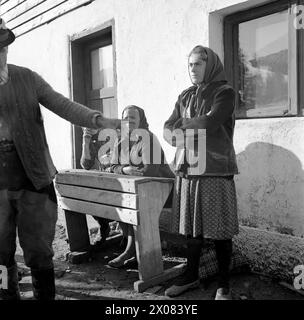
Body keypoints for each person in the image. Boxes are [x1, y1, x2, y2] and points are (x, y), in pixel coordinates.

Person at [0, 19, 119, 300]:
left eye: (3, 48)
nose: (0, 55)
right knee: (0, 256)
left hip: (33, 180)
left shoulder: (26, 77)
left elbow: (61, 104)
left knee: (40, 252)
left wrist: (99, 120)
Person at [163, 45, 239, 300]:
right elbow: (166, 128)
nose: (192, 70)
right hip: (187, 168)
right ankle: (191, 275)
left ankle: (223, 285)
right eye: (189, 65)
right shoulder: (185, 96)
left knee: (219, 232)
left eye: (197, 64)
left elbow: (210, 122)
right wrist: (183, 128)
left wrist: (181, 127)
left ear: (210, 65)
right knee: (191, 230)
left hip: (215, 169)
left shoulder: (225, 92)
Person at [107, 105, 174, 268]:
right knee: (115, 199)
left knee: (131, 203)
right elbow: (110, 167)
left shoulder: (149, 138)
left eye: (133, 118)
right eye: (125, 118)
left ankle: (131, 251)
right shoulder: (120, 140)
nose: (128, 121)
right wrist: (125, 169)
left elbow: (148, 171)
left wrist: (123, 171)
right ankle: (132, 248)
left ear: (141, 121)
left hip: (160, 189)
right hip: (135, 189)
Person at [80, 125, 121, 249]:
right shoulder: (92, 141)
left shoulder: (112, 134)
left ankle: (120, 231)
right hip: (107, 185)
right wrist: (85, 140)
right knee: (87, 196)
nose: (87, 128)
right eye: (85, 127)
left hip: (120, 183)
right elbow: (86, 164)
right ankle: (105, 226)